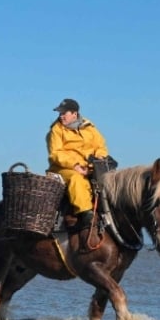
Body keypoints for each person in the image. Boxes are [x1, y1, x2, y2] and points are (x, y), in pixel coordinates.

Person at [45, 98, 109, 231]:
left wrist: (99, 158)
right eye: (60, 113)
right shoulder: (56, 130)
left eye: (64, 113)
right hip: (63, 168)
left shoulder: (89, 127)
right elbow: (55, 154)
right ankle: (86, 214)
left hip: (90, 166)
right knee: (77, 179)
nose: (61, 116)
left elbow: (100, 145)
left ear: (75, 114)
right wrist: (75, 165)